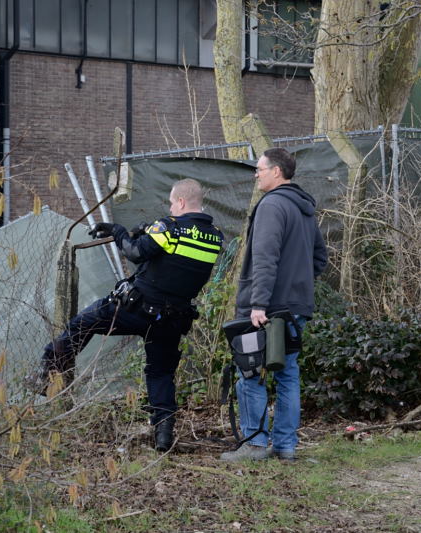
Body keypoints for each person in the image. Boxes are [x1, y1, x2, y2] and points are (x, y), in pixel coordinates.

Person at [25, 178, 224, 452]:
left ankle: (47, 373)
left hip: (136, 309)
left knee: (82, 323)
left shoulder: (169, 226)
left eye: (171, 203)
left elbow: (136, 253)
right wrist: (145, 233)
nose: (170, 207)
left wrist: (119, 232)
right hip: (174, 318)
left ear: (180, 201)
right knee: (160, 374)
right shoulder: (215, 235)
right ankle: (163, 436)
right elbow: (173, 262)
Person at [220, 148, 327, 462]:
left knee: (250, 371)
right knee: (288, 374)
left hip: (267, 309)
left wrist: (258, 303)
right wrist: (298, 283)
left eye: (260, 169)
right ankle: (285, 447)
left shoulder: (271, 206)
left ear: (276, 171)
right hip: (296, 308)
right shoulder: (304, 208)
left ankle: (254, 445)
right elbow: (319, 258)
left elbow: (265, 259)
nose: (256, 174)